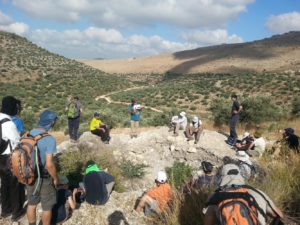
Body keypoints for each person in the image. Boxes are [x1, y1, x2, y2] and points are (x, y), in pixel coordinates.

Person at [203, 164, 283, 225]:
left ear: (222, 177)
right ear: (239, 175)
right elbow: (278, 215)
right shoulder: (257, 192)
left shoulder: (214, 197)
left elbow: (208, 223)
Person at [26, 110, 60, 225]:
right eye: (54, 121)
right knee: (47, 207)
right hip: (44, 178)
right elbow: (49, 164)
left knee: (32, 204)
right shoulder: (49, 139)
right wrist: (56, 178)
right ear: (51, 123)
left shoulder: (28, 134)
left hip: (29, 174)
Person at [0, 96, 25, 222]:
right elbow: (17, 142)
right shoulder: (9, 124)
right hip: (10, 158)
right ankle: (17, 212)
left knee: (4, 184)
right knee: (15, 184)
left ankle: (5, 210)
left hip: (1, 157)